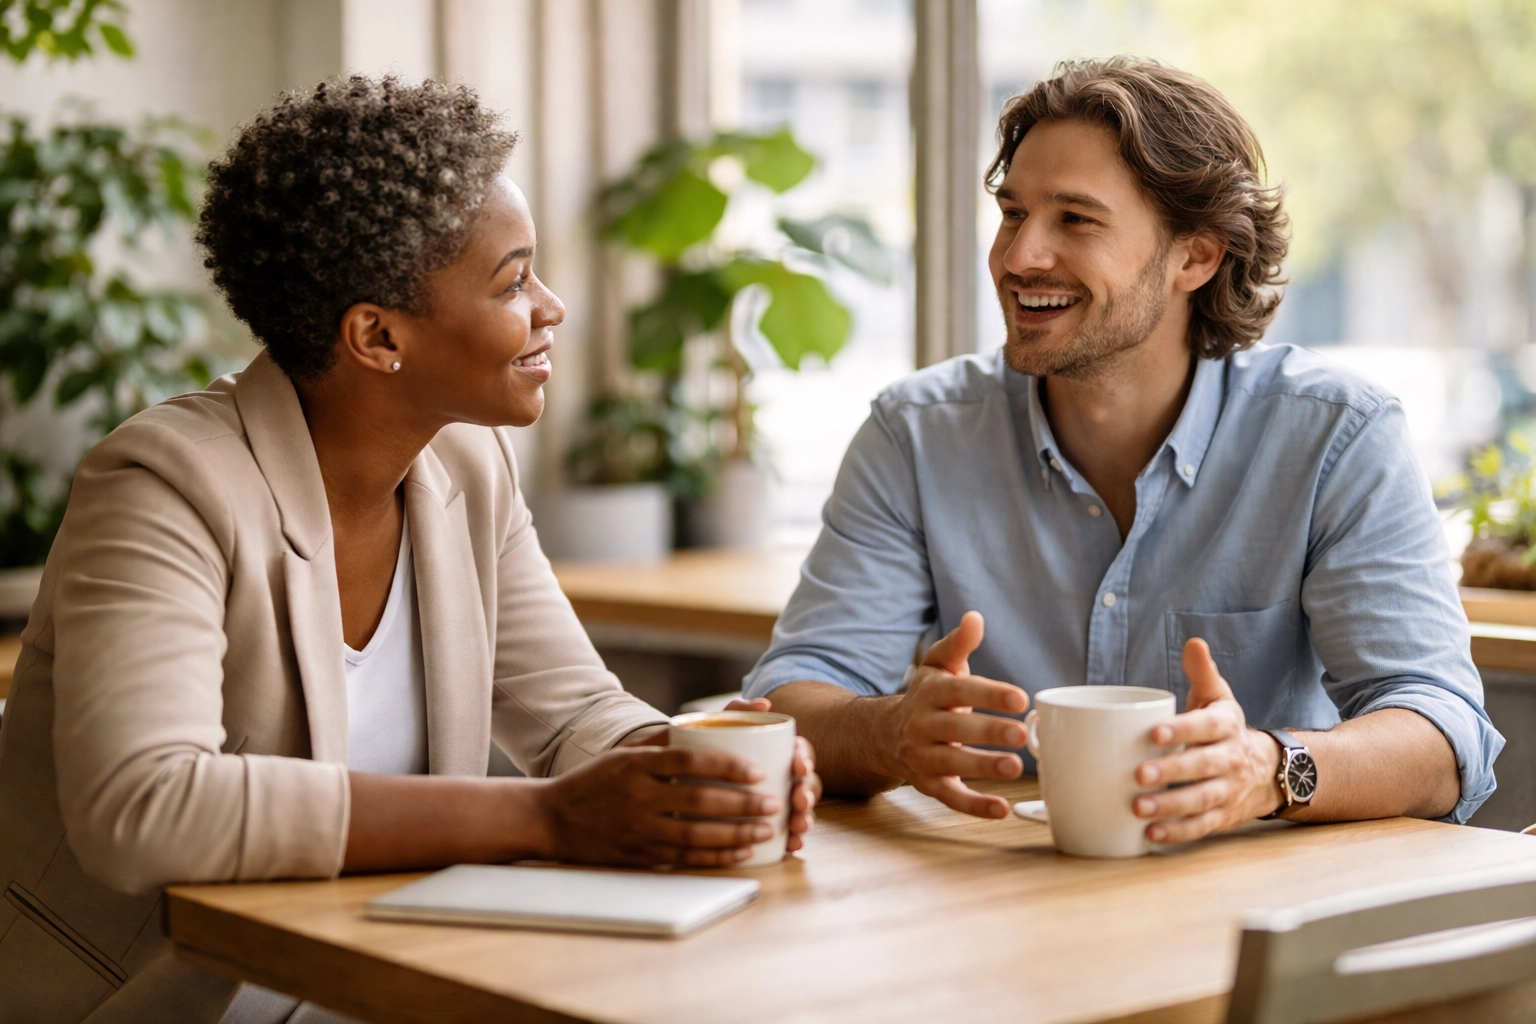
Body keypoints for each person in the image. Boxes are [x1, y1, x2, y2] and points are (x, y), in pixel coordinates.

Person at [0, 77, 818, 1024]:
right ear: (377, 336)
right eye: (513, 282)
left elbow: (569, 715)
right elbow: (142, 811)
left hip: (374, 983)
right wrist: (546, 816)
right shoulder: (163, 484)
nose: (550, 307)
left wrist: (680, 767)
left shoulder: (468, 464)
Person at [744, 57, 1501, 839]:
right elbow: (786, 704)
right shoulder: (916, 432)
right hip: (999, 904)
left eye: (1075, 219)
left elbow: (1443, 737)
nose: (1017, 256)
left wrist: (1266, 771)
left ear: (1196, 257)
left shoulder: (1335, 436)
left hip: (1247, 902)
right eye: (1012, 213)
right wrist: (892, 732)